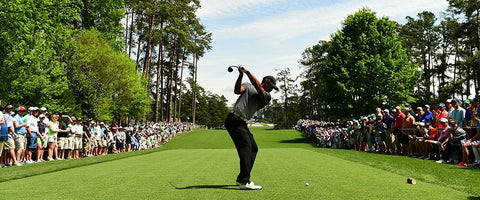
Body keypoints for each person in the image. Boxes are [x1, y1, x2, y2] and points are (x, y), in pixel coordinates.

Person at [224, 66, 277, 190]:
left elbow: (258, 87)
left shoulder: (267, 97)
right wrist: (241, 75)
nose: (272, 90)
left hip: (241, 122)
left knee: (253, 148)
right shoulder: (248, 86)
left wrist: (247, 72)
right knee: (246, 147)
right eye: (272, 87)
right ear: (267, 82)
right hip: (234, 119)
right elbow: (237, 90)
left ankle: (241, 178)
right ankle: (244, 181)